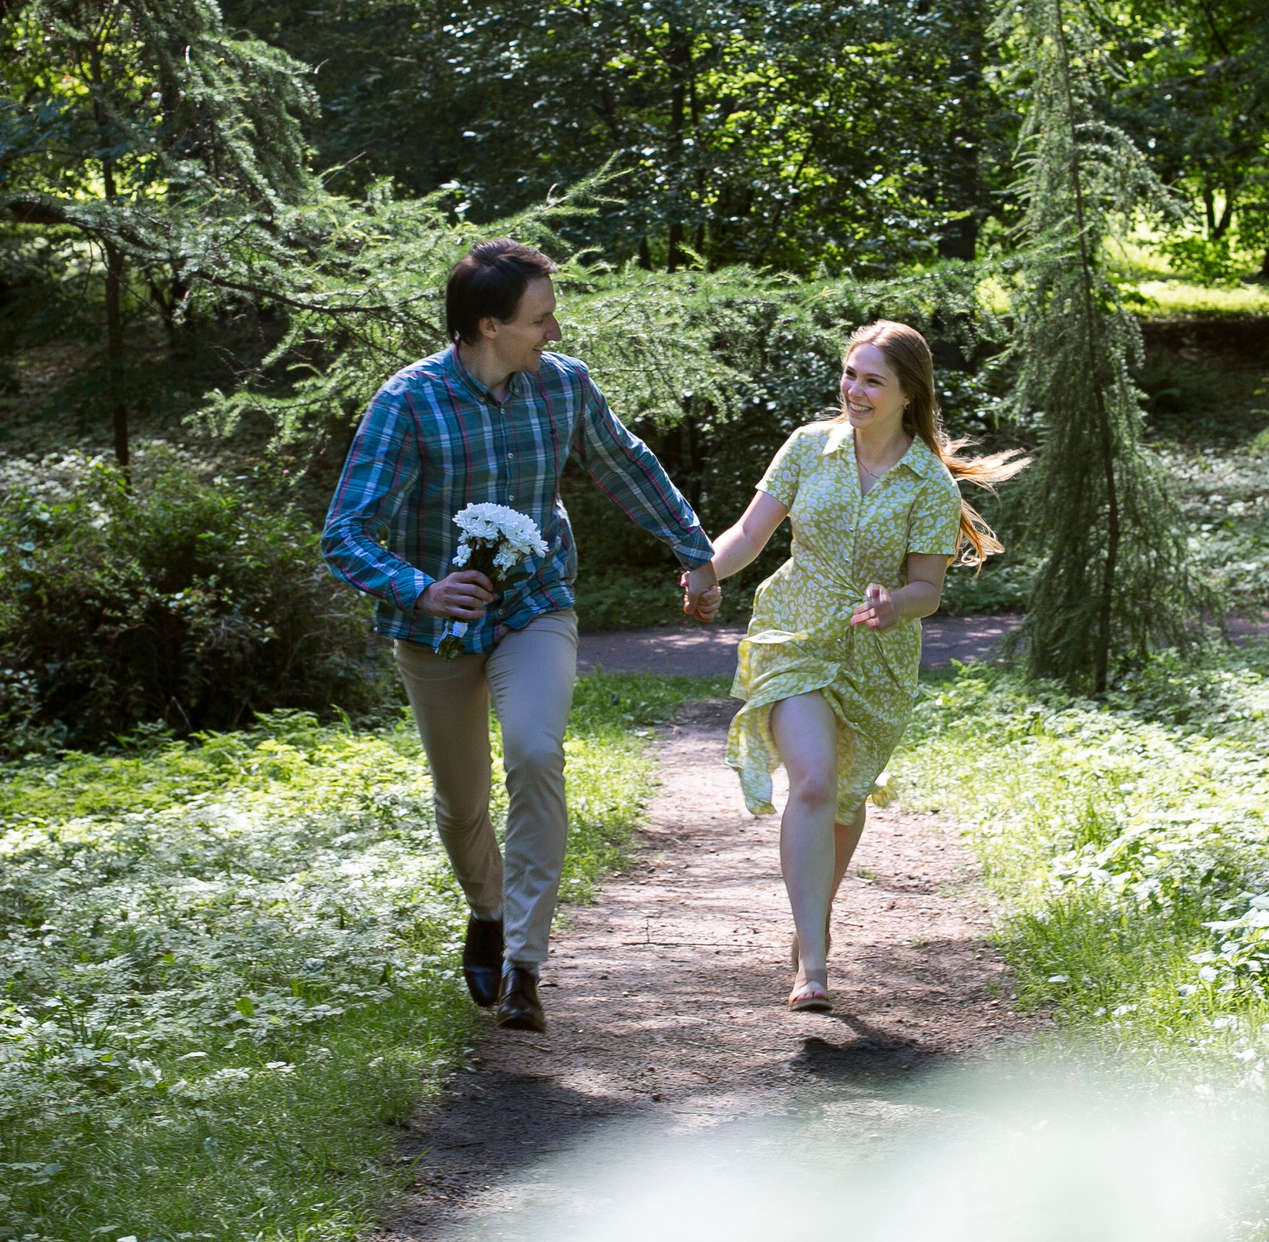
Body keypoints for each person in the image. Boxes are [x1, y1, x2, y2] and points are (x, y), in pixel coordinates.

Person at [323, 240, 721, 1031]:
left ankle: (523, 965)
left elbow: (627, 465)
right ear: (488, 325)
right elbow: (345, 533)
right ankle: (489, 907)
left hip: (536, 604)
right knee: (460, 803)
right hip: (434, 625)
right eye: (541, 319)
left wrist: (696, 554)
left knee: (536, 754)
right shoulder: (409, 402)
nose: (556, 332)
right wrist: (423, 588)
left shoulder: (563, 385)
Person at [683, 321, 1024, 1010]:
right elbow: (750, 533)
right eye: (849, 374)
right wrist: (704, 572)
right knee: (813, 781)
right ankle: (813, 963)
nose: (854, 390)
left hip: (876, 657)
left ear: (907, 394)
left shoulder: (928, 482)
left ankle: (812, 917)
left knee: (843, 797)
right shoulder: (809, 447)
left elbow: (927, 588)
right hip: (795, 634)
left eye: (873, 380)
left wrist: (894, 604)